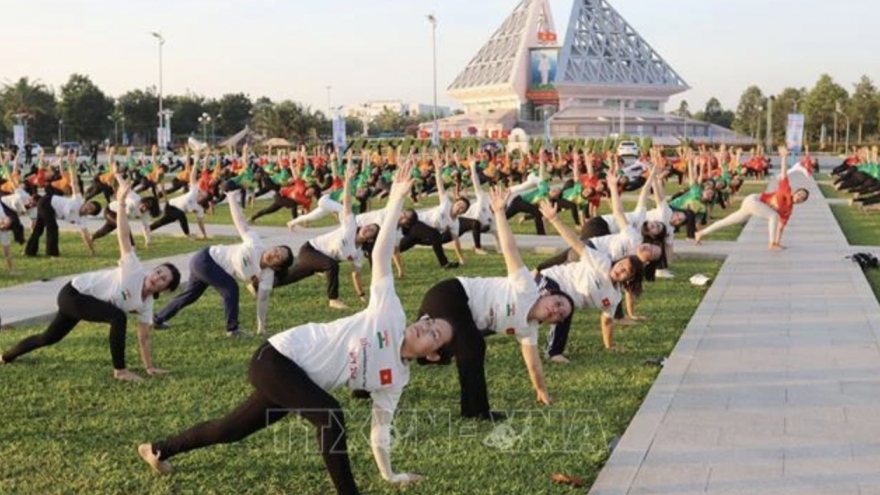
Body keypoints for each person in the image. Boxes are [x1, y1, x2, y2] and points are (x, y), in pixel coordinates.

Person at [137, 161, 453, 494]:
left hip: (297, 381)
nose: (425, 327)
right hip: (276, 358)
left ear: (432, 356)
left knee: (230, 430)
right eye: (429, 322)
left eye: (435, 335)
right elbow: (382, 252)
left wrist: (389, 474)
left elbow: (380, 430)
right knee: (330, 415)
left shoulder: (396, 379)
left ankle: (157, 449)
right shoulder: (390, 313)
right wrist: (396, 201)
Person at [1, 176, 181, 382]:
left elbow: (144, 336)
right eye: (159, 272)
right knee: (118, 317)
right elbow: (123, 236)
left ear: (165, 289)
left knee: (48, 338)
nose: (157, 277)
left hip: (83, 301)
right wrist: (121, 202)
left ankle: (6, 356)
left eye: (163, 279)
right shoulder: (134, 269)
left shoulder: (146, 304)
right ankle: (120, 371)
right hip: (74, 293)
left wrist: (149, 367)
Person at [415, 187, 573, 420]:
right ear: (548, 294)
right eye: (558, 302)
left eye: (560, 315)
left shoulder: (528, 329)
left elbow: (534, 364)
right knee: (473, 346)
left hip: (457, 314)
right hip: (451, 294)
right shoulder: (527, 287)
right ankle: (476, 411)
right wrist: (499, 212)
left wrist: (541, 391)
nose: (556, 310)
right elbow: (510, 250)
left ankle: (368, 378)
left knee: (434, 350)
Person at [153, 188, 294, 336]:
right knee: (231, 288)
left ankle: (158, 319)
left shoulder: (267, 276)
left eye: (278, 257)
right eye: (276, 249)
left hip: (209, 267)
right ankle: (232, 329)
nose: (273, 253)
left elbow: (262, 301)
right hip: (205, 259)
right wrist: (231, 199)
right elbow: (240, 221)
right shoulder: (256, 244)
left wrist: (261, 327)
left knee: (190, 295)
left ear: (277, 266)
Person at [537, 200, 645, 357]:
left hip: (563, 301)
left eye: (625, 272)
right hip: (551, 280)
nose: (619, 270)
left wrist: (609, 347)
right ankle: (554, 353)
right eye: (621, 264)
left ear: (628, 279)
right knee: (539, 309)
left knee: (542, 314)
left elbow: (607, 321)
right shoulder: (602, 261)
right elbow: (575, 242)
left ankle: (553, 353)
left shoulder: (614, 297)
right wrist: (554, 219)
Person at [273, 165, 373, 310]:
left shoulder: (358, 254)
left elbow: (356, 274)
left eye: (371, 231)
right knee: (332, 264)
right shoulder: (351, 226)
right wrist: (348, 179)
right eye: (367, 226)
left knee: (290, 277)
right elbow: (346, 202)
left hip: (317, 257)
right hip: (311, 248)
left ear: (370, 240)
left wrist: (362, 294)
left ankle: (260, 283)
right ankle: (333, 299)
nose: (366, 228)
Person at [696, 146, 809, 250]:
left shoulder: (788, 210)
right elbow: (784, 173)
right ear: (795, 193)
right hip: (753, 201)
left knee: (727, 221)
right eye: (799, 194)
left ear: (802, 202)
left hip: (751, 208)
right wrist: (784, 157)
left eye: (802, 198)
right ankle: (771, 244)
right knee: (773, 216)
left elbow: (781, 227)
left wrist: (779, 242)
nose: (799, 197)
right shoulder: (786, 191)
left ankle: (701, 233)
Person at [24, 158, 100, 257]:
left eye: (90, 210)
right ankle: (52, 254)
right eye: (89, 205)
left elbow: (85, 235)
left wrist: (92, 250)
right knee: (53, 228)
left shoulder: (82, 220)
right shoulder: (79, 200)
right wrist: (71, 165)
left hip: (49, 208)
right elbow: (74, 183)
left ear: (90, 214)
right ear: (86, 203)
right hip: (47, 202)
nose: (87, 208)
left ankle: (29, 252)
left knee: (39, 228)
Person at [149, 148, 208, 240]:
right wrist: (196, 161)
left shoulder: (200, 209)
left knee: (163, 221)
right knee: (181, 215)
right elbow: (192, 176)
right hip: (171, 205)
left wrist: (205, 235)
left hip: (176, 211)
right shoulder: (194, 191)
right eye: (201, 193)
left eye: (202, 196)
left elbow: (200, 222)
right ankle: (188, 235)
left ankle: (148, 229)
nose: (200, 194)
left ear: (204, 200)